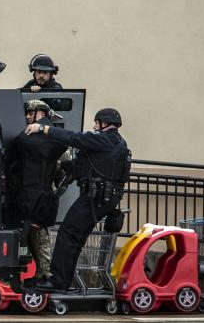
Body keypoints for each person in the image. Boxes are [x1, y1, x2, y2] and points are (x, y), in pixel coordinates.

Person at [24, 108, 129, 293]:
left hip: (94, 199)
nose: (95, 126)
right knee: (75, 239)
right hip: (102, 199)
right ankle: (63, 281)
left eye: (97, 122)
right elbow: (88, 165)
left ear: (105, 123)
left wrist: (42, 128)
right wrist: (62, 165)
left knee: (67, 234)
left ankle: (57, 282)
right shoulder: (117, 142)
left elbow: (74, 137)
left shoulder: (104, 139)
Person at [14, 100, 67, 284]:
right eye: (27, 113)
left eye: (31, 113)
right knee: (33, 233)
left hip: (40, 192)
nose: (28, 116)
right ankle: (41, 273)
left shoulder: (38, 134)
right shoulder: (51, 135)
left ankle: (46, 274)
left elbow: (64, 163)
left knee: (39, 233)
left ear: (41, 114)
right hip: (40, 191)